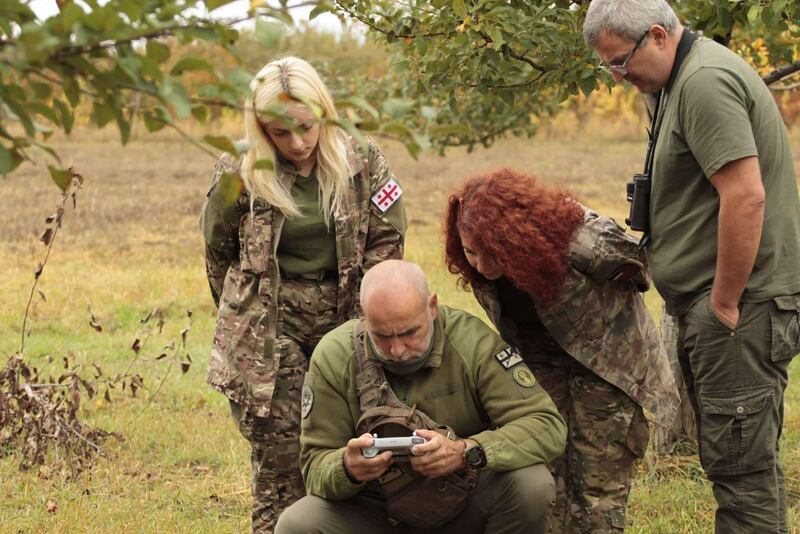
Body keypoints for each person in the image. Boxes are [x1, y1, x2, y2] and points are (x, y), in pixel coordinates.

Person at [583, 1, 800, 532]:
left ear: (657, 36)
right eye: (607, 66)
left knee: (742, 477)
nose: (618, 75)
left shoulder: (704, 82)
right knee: (738, 466)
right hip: (722, 304)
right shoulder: (677, 80)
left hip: (739, 308)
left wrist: (724, 304)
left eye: (619, 61)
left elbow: (746, 197)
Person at [200, 56, 406, 532]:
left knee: (356, 448)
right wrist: (241, 318)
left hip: (346, 317)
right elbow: (219, 252)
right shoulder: (239, 168)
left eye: (306, 128)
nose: (296, 143)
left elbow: (387, 242)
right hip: (270, 326)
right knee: (281, 460)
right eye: (279, 133)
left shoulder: (362, 157)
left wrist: (366, 323)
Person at [443, 167, 680, 533]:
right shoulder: (474, 260)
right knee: (546, 471)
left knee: (597, 487)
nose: (484, 266)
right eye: (474, 253)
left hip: (605, 366)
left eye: (496, 254)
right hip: (541, 363)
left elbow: (641, 270)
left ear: (519, 239)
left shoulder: (583, 243)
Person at [275, 260, 567, 533]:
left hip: (464, 498)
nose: (398, 350)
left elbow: (546, 425)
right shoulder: (335, 355)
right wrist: (348, 468)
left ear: (432, 307)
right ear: (365, 319)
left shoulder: (471, 342)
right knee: (298, 524)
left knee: (531, 485)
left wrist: (466, 451)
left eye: (409, 332)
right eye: (382, 337)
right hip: (376, 508)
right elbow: (314, 466)